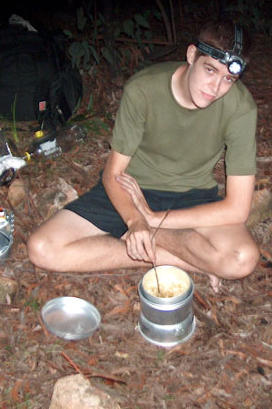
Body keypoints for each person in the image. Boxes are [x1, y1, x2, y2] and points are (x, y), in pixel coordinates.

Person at [27, 20, 259, 291]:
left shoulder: (241, 109)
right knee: (42, 249)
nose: (215, 87)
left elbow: (238, 208)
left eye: (228, 79)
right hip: (131, 191)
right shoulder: (143, 90)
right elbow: (113, 174)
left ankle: (141, 240)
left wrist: (151, 220)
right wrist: (135, 219)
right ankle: (179, 258)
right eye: (210, 70)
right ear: (191, 55)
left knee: (241, 260)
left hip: (193, 195)